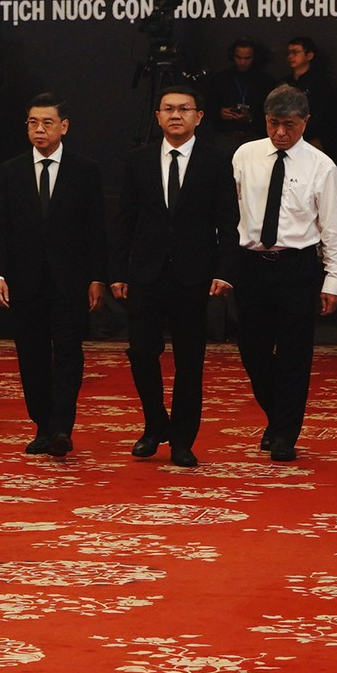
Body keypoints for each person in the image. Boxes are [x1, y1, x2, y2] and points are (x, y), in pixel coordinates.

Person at [110, 85, 239, 467]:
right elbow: (124, 219)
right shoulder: (138, 160)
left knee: (189, 360)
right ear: (158, 116)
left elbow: (228, 221)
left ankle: (182, 440)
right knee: (141, 352)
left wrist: (225, 271)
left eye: (184, 109)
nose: (176, 115)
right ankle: (155, 425)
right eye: (168, 109)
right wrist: (117, 269)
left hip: (193, 275)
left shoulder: (216, 161)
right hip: (145, 273)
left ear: (199, 116)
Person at [230, 84, 337, 462]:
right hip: (251, 264)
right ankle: (278, 417)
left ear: (305, 121)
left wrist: (334, 278)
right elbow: (229, 212)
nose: (280, 133)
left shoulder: (321, 165)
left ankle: (284, 435)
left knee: (295, 354)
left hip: (296, 265)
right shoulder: (245, 155)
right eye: (273, 123)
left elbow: (331, 226)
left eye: (290, 125)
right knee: (252, 351)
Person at [0, 94, 106, 458]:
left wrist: (97, 276)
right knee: (31, 355)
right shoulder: (10, 171)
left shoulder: (85, 170)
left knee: (69, 353)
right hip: (24, 279)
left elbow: (96, 229)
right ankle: (42, 426)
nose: (39, 129)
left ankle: (61, 428)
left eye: (47, 123)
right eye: (32, 123)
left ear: (64, 127)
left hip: (70, 280)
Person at [205, 38, 276, 145]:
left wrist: (251, 118)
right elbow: (207, 108)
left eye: (247, 58)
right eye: (238, 57)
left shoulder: (266, 81)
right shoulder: (220, 79)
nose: (242, 62)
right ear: (232, 56)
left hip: (254, 136)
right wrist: (220, 113)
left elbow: (273, 112)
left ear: (255, 57)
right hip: (225, 135)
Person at [285, 36, 337, 154]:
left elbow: (325, 115)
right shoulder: (284, 83)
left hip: (310, 139)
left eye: (295, 52)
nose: (290, 56)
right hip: (285, 137)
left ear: (309, 55)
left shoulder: (320, 84)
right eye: (289, 53)